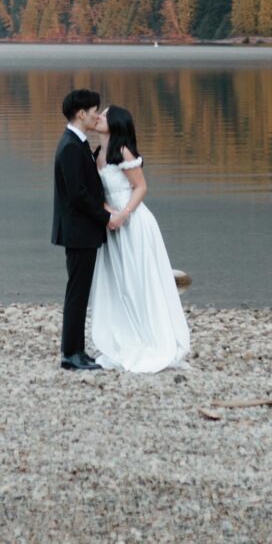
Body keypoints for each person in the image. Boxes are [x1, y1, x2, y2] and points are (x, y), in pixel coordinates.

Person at [85, 104, 191, 371]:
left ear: (117, 122)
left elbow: (141, 186)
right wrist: (108, 212)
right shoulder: (98, 153)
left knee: (141, 278)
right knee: (122, 280)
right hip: (113, 223)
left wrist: (124, 214)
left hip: (134, 223)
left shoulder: (122, 151)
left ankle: (152, 336)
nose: (99, 117)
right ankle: (127, 332)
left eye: (106, 115)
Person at [51, 87, 111, 370]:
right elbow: (78, 193)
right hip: (78, 231)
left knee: (80, 291)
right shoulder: (70, 146)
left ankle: (77, 350)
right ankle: (70, 354)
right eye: (94, 110)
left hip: (79, 230)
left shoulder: (77, 143)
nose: (97, 114)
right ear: (81, 113)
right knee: (77, 293)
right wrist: (104, 217)